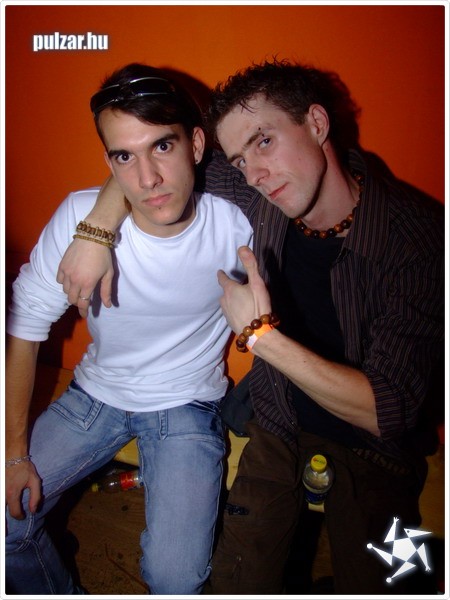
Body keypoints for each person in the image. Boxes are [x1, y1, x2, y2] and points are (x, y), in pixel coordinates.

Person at [54, 59, 444, 594]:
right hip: (279, 423)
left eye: (264, 141)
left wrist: (261, 336)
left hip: (378, 455)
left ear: (316, 123)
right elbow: (152, 168)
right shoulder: (260, 195)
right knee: (233, 585)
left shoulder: (421, 238)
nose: (255, 173)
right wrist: (95, 230)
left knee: (400, 580)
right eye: (239, 159)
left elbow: (388, 411)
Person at [5, 62, 254, 595]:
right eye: (125, 156)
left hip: (187, 402)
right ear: (109, 163)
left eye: (162, 146)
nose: (147, 179)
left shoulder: (238, 223)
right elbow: (23, 329)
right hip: (95, 393)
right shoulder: (79, 219)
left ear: (196, 144)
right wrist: (13, 455)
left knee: (175, 580)